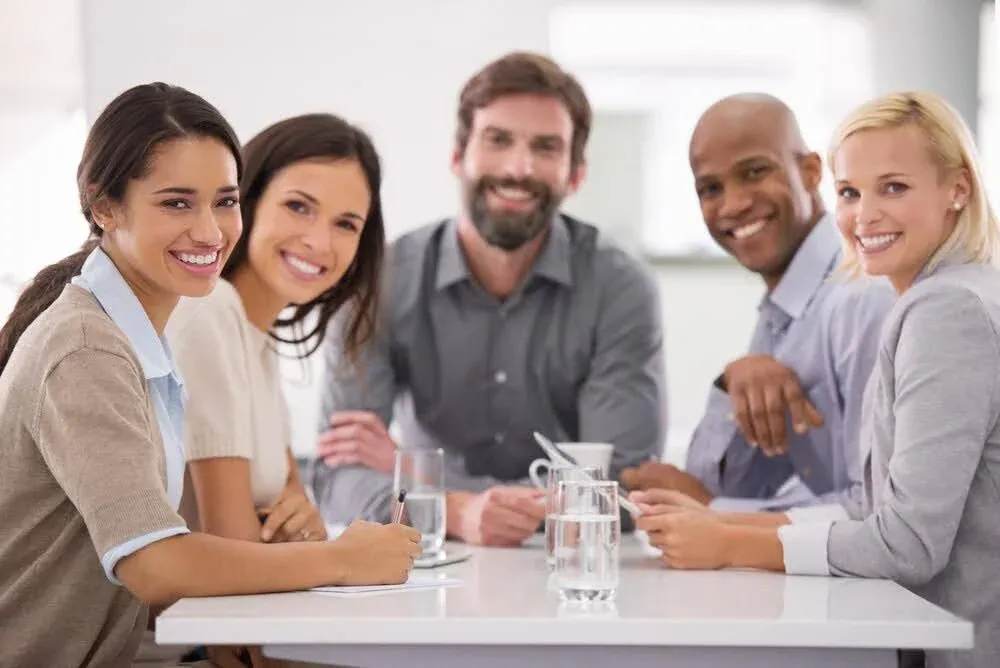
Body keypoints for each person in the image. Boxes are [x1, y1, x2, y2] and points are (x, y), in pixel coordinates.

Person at [0, 82, 420, 668]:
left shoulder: (141, 334)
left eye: (224, 202)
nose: (210, 231)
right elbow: (153, 565)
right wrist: (343, 559)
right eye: (177, 203)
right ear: (103, 206)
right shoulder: (88, 346)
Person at [633, 91, 1000, 668]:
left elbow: (906, 542)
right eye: (851, 192)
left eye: (894, 187)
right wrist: (713, 519)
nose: (864, 214)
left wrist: (730, 540)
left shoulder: (943, 311)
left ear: (958, 188)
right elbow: (875, 506)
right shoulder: (942, 296)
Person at [313, 51, 666, 546]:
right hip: (428, 568)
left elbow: (620, 484)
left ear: (575, 174)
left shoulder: (619, 286)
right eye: (498, 140)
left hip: (573, 569)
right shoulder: (377, 279)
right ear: (458, 157)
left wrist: (421, 477)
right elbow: (339, 478)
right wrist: (455, 512)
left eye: (546, 148)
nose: (518, 168)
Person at [160, 114, 386, 665]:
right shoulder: (209, 313)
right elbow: (235, 609)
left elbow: (296, 519)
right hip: (169, 651)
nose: (318, 241)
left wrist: (305, 532)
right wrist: (339, 555)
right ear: (247, 200)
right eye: (299, 206)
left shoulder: (257, 343)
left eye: (346, 223)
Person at [622, 94, 894, 512]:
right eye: (710, 188)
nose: (733, 205)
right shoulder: (782, 307)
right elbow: (726, 483)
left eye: (754, 172)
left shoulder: (860, 295)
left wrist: (713, 514)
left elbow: (879, 510)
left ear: (810, 172)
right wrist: (733, 380)